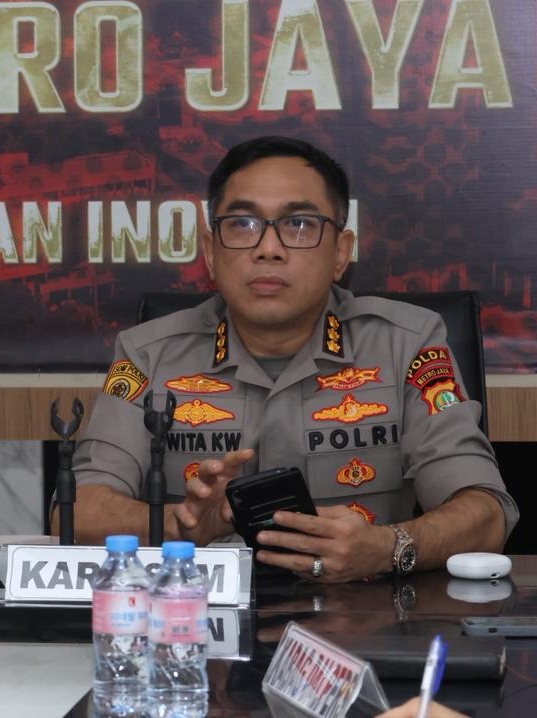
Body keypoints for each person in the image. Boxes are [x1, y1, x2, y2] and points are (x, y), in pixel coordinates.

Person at [68, 136, 516, 582]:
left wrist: (385, 547)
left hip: (364, 615)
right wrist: (180, 525)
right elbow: (77, 509)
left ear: (340, 253)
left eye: (299, 224)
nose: (269, 248)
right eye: (242, 224)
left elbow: (486, 513)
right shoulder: (148, 354)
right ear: (210, 252)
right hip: (195, 613)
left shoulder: (407, 345)